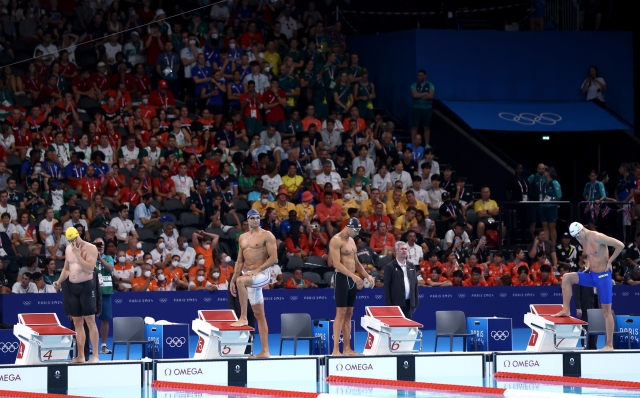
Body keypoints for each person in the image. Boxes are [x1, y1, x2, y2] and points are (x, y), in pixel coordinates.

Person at [554, 222, 624, 351]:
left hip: (603, 277)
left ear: (581, 230)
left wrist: (610, 261)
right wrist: (588, 266)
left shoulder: (597, 236)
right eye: (575, 237)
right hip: (591, 275)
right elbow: (591, 255)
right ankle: (566, 309)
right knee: (566, 277)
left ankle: (609, 345)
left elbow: (620, 245)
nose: (577, 239)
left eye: (577, 236)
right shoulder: (582, 239)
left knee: (607, 312)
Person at [229, 209, 278, 359]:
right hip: (248, 274)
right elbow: (239, 261)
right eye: (253, 218)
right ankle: (265, 351)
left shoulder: (266, 235)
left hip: (262, 274)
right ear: (248, 220)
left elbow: (274, 258)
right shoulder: (242, 238)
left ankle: (243, 317)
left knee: (241, 281)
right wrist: (232, 280)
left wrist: (257, 270)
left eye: (258, 218)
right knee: (259, 315)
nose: (256, 220)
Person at [328, 218, 374, 356]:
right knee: (340, 313)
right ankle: (336, 350)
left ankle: (347, 349)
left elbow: (357, 263)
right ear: (348, 227)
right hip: (342, 278)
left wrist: (367, 276)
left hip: (352, 279)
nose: (357, 233)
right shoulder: (336, 240)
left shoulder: (352, 241)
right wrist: (353, 276)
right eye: (356, 230)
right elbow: (336, 263)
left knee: (349, 313)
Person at [53, 227, 99, 363]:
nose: (73, 243)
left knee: (90, 321)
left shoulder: (91, 248)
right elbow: (67, 268)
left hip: (86, 287)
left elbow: (90, 268)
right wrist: (59, 281)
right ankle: (80, 356)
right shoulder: (68, 249)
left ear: (79, 235)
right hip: (72, 288)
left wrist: (78, 255)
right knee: (77, 322)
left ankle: (95, 356)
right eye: (70, 241)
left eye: (75, 239)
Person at [383, 241, 419, 319]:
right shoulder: (390, 266)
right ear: (396, 251)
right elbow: (387, 286)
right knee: (397, 328)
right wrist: (389, 305)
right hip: (396, 303)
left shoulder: (411, 266)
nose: (404, 250)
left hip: (409, 302)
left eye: (406, 249)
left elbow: (415, 285)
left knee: (407, 327)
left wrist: (415, 303)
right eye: (402, 249)